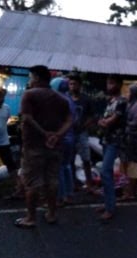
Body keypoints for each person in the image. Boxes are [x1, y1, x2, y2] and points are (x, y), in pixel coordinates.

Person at [14, 65, 72, 228]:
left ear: (37, 78)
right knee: (52, 180)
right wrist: (57, 135)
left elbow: (26, 118)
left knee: (32, 182)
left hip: (34, 145)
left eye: (31, 77)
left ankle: (31, 217)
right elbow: (69, 120)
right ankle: (52, 213)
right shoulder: (61, 98)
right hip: (54, 146)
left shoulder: (29, 94)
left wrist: (44, 133)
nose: (30, 81)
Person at [96, 74, 127, 221]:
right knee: (105, 173)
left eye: (112, 83)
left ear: (120, 85)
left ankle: (110, 208)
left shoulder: (121, 102)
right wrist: (103, 122)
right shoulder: (110, 102)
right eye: (108, 83)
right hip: (106, 139)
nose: (109, 86)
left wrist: (104, 122)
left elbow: (110, 121)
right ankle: (108, 203)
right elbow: (104, 120)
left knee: (106, 172)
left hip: (115, 141)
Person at [67, 74, 96, 193]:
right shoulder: (66, 99)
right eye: (71, 84)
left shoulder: (86, 99)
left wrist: (84, 126)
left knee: (86, 159)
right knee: (70, 160)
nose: (72, 86)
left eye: (75, 84)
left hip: (82, 133)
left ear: (80, 85)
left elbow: (92, 116)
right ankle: (73, 185)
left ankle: (89, 185)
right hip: (69, 134)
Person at [50, 77, 77, 207]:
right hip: (70, 137)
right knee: (66, 166)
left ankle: (59, 197)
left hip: (61, 137)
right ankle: (69, 195)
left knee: (58, 168)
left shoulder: (57, 100)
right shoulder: (70, 99)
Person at [118, 84, 137, 201]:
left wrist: (125, 125)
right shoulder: (131, 105)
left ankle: (130, 192)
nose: (126, 95)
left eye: (128, 92)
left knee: (132, 165)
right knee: (132, 165)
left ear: (133, 94)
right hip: (130, 140)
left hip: (133, 141)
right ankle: (133, 190)